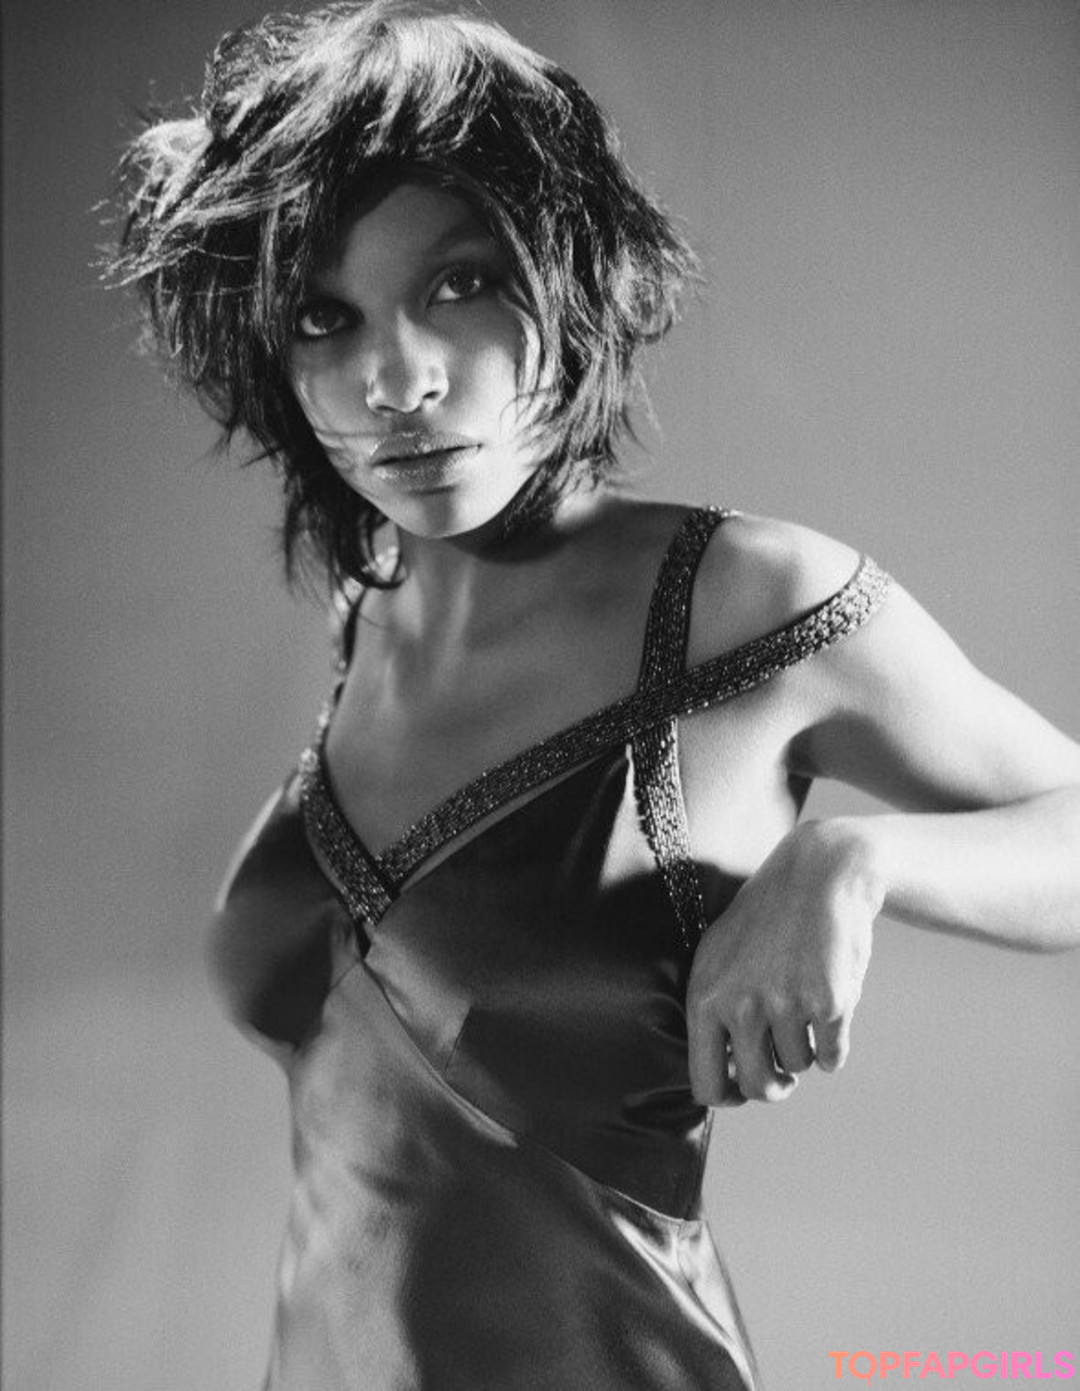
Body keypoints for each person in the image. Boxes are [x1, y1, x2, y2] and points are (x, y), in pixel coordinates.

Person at [110, 3, 1080, 1387]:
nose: (396, 380)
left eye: (460, 283)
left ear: (574, 276)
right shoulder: (371, 619)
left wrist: (852, 863)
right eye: (327, 317)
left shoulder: (744, 603)